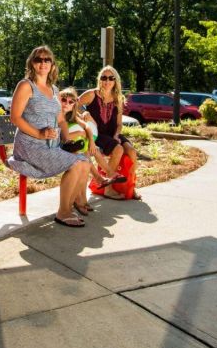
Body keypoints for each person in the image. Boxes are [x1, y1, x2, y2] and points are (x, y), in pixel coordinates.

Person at [8, 45, 91, 226]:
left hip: (51, 146)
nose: (43, 63)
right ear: (32, 63)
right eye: (39, 59)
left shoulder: (53, 90)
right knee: (76, 163)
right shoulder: (25, 86)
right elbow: (15, 118)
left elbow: (61, 119)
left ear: (52, 65)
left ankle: (71, 205)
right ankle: (63, 212)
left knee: (85, 162)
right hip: (30, 146)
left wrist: (67, 139)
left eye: (47, 60)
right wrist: (39, 133)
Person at [78, 65, 141, 200]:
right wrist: (84, 114)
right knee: (118, 149)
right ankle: (108, 188)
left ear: (115, 81)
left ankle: (130, 186)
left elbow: (119, 124)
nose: (107, 81)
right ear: (100, 79)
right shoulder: (91, 94)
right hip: (96, 134)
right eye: (104, 77)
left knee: (132, 152)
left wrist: (117, 135)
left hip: (112, 133)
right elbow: (72, 105)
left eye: (111, 78)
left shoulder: (118, 98)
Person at [59, 87, 111, 189]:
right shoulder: (56, 115)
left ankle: (105, 175)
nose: (66, 104)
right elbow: (61, 138)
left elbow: (87, 126)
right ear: (59, 99)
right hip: (62, 145)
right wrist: (79, 132)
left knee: (91, 149)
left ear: (74, 104)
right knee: (84, 155)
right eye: (64, 100)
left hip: (72, 144)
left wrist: (91, 141)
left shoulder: (72, 115)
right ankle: (100, 177)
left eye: (71, 102)